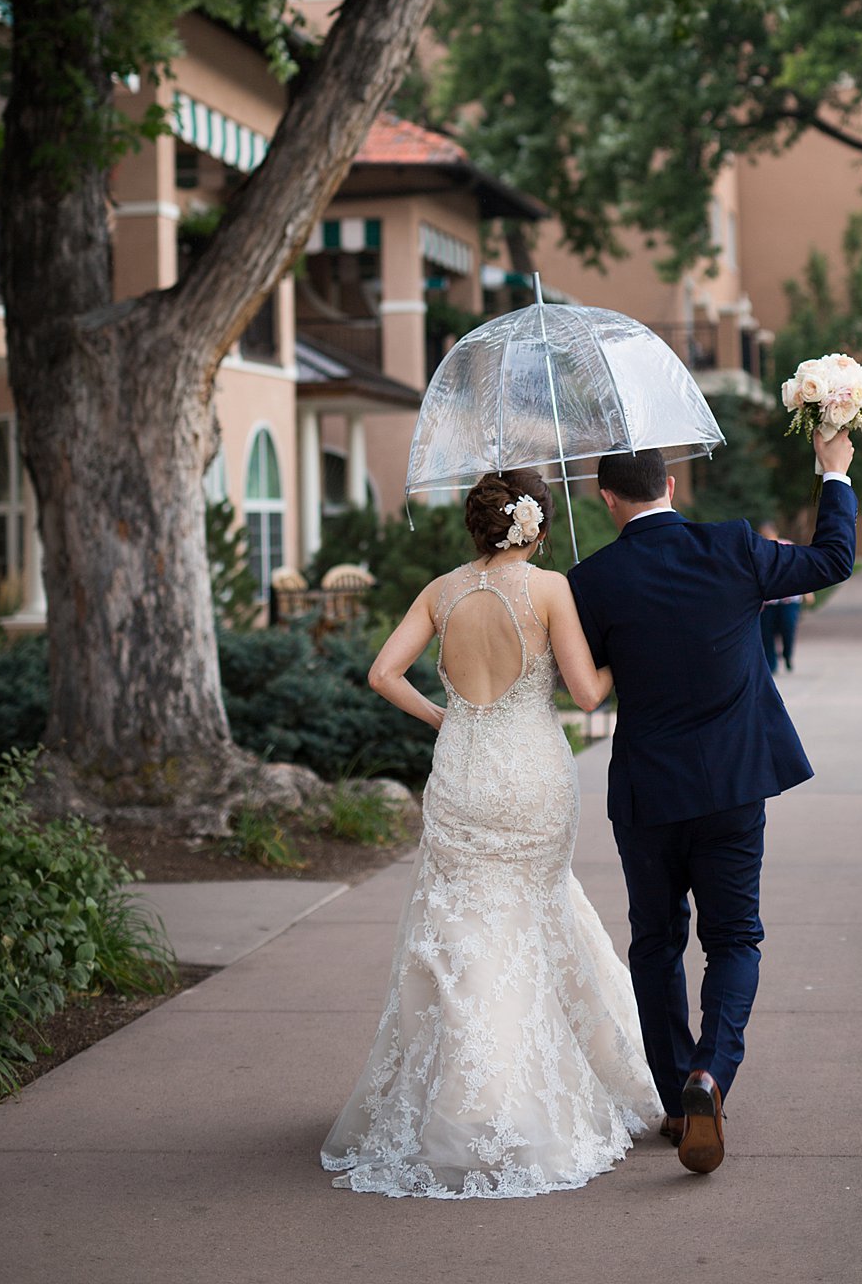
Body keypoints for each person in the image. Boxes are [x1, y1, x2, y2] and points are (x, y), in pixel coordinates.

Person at [321, 468, 661, 1198]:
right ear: (534, 526)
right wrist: (638, 645)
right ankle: (518, 1099)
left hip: (462, 774)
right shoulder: (548, 590)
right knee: (536, 913)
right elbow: (588, 690)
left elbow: (384, 673)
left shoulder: (441, 592)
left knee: (464, 930)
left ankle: (458, 1099)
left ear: (477, 527)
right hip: (532, 775)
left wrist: (447, 718)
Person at [568, 427, 857, 1175]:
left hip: (646, 792)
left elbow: (581, 679)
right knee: (733, 940)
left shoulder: (591, 579)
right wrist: (832, 473)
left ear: (607, 501)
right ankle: (710, 1075)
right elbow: (832, 560)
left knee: (655, 943)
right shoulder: (731, 547)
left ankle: (675, 1100)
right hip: (732, 786)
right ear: (671, 488)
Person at [757, 520, 808, 674]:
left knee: (788, 627)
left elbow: (801, 570)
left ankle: (787, 654)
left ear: (775, 533)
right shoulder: (757, 551)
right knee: (767, 632)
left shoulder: (787, 546)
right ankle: (771, 664)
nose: (766, 537)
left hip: (789, 599)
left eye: (768, 534)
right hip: (768, 601)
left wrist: (808, 592)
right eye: (763, 535)